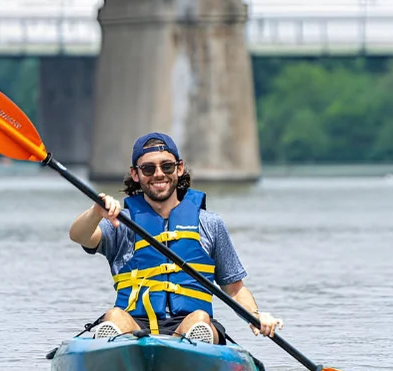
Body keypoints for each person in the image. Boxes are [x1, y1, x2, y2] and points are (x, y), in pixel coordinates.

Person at [68, 132, 284, 344]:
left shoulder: (210, 224)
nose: (158, 174)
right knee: (114, 315)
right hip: (134, 327)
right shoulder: (120, 223)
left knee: (199, 319)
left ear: (179, 169)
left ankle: (193, 350)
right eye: (148, 168)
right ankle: (112, 348)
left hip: (189, 326)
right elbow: (79, 236)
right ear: (136, 174)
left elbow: (235, 289)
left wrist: (256, 316)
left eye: (167, 166)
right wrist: (96, 211)